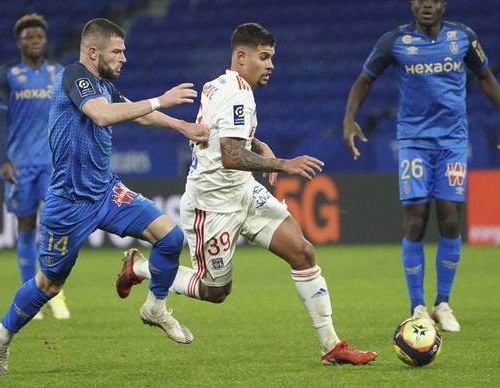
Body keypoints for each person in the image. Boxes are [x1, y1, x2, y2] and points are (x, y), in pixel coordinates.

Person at [116, 22, 377, 366]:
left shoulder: (219, 84)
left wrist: (259, 143)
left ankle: (331, 345)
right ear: (242, 56)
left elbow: (221, 133)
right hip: (213, 205)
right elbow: (230, 154)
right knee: (215, 292)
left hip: (243, 190)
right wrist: (285, 164)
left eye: (272, 57)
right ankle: (142, 268)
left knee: (302, 252)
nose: (271, 65)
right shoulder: (237, 92)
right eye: (264, 57)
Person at [0, 18, 209, 376]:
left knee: (171, 236)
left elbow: (138, 114)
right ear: (93, 52)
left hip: (106, 191)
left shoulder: (103, 84)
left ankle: (155, 307)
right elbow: (102, 116)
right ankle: (2, 334)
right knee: (50, 284)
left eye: (123, 51)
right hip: (68, 203)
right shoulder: (74, 76)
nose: (123, 58)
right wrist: (160, 99)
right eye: (117, 52)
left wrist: (182, 126)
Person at [342, 0, 500, 332]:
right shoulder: (395, 41)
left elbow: (485, 77)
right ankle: (417, 306)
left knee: (450, 219)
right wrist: (349, 119)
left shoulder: (463, 38)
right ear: (412, 5)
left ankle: (443, 303)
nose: (426, 4)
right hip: (413, 142)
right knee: (415, 221)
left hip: (453, 143)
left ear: (443, 4)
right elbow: (363, 80)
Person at [0, 13, 70, 320]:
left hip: (52, 164)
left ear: (45, 40)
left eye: (39, 36)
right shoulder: (7, 74)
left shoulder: (59, 73)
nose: (35, 40)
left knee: (56, 229)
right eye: (29, 36)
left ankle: (56, 295)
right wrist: (3, 160)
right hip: (20, 164)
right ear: (19, 41)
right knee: (25, 226)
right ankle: (29, 294)